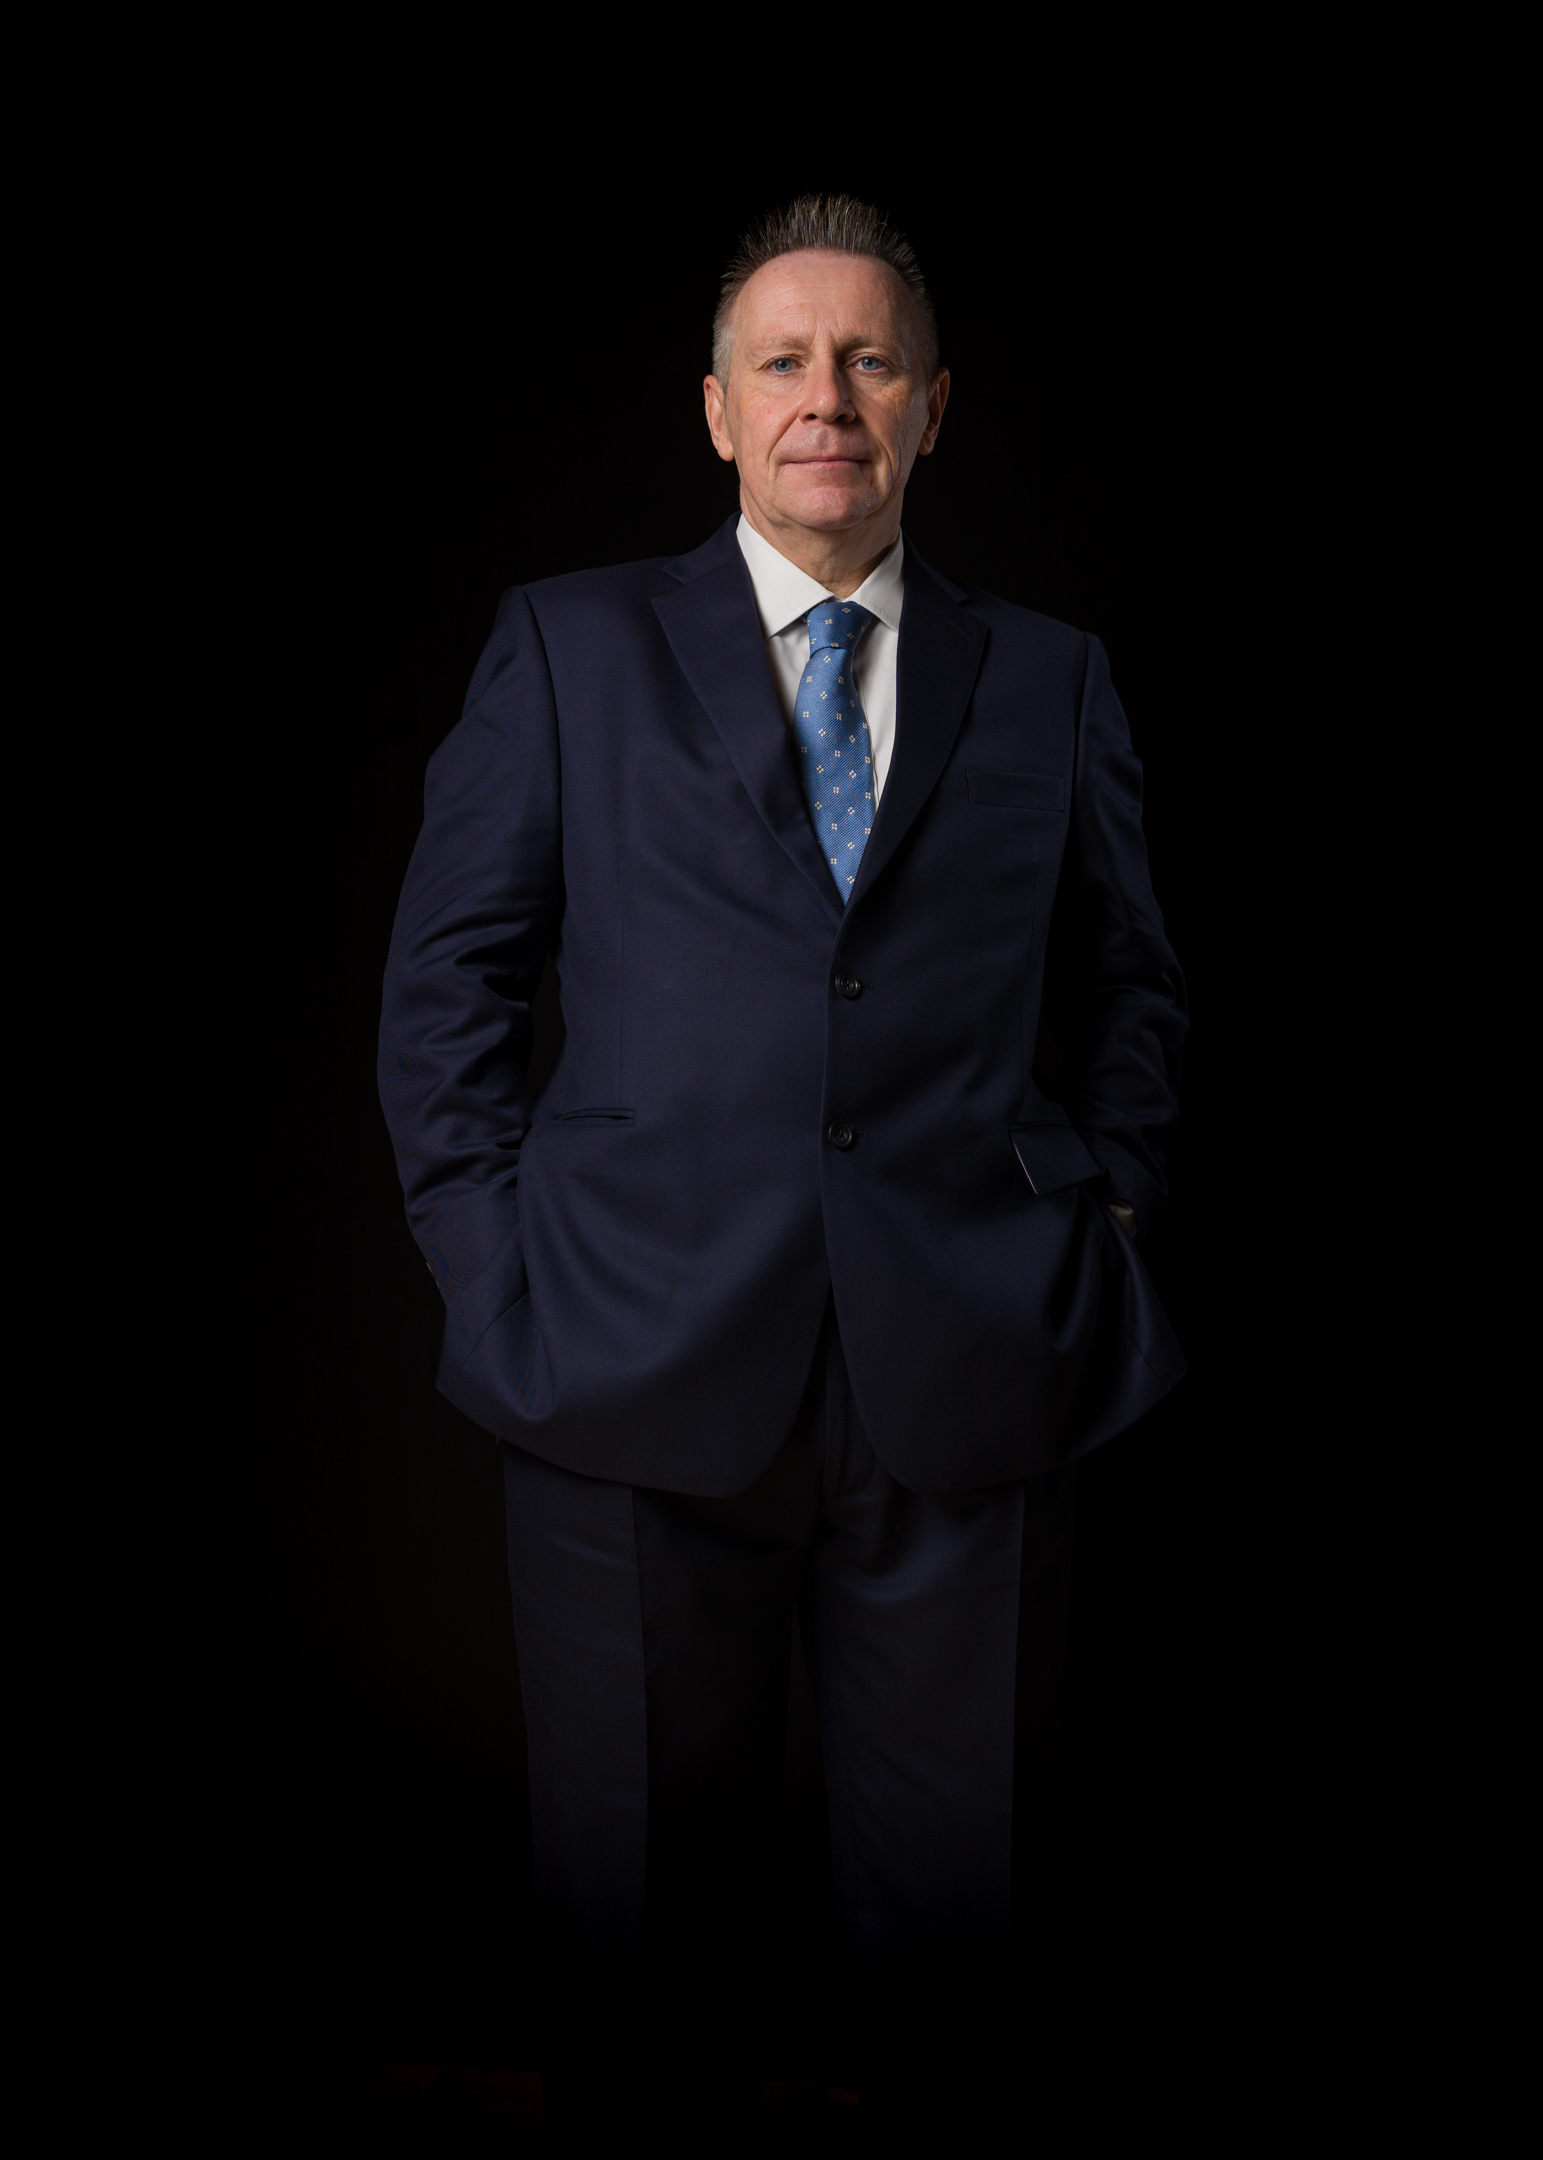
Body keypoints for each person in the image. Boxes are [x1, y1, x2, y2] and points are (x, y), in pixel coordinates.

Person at [378, 193, 1186, 2144]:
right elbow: (446, 994)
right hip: (627, 1366)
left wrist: (1098, 1218)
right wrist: (501, 1275)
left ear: (929, 407)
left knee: (960, 1945)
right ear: (721, 413)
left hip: (972, 1367)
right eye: (785, 362)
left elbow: (1128, 990)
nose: (829, 395)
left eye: (870, 358)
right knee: (640, 1939)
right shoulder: (567, 649)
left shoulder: (1050, 675)